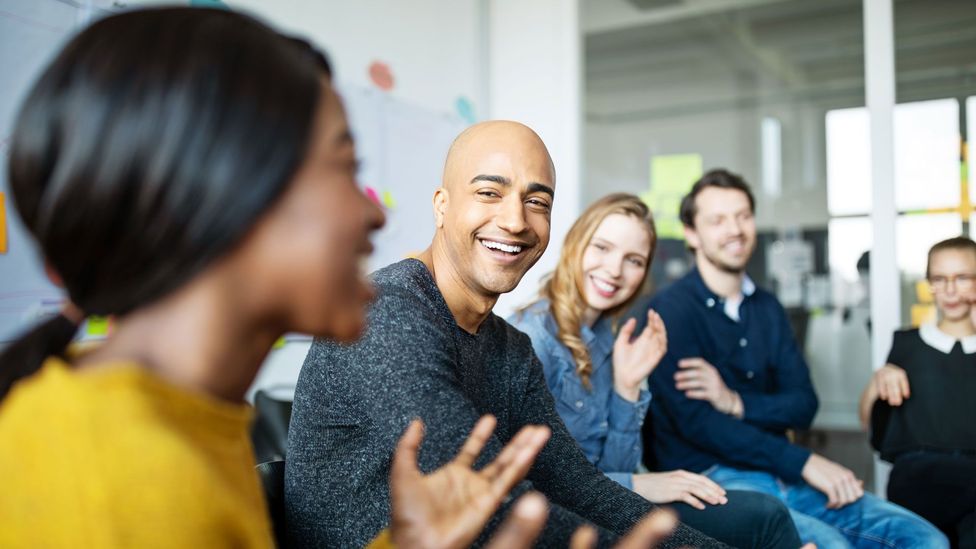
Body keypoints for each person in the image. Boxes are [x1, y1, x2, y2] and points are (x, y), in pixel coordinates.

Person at [0, 8, 555, 548]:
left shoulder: (181, 424)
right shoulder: (122, 480)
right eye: (342, 169)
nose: (375, 215)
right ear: (229, 200)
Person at [287, 121, 727, 547]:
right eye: (488, 193)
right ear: (441, 205)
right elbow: (488, 502)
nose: (516, 220)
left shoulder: (511, 349)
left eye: (537, 202)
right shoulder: (388, 312)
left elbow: (578, 486)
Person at [635, 168, 948, 548]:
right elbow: (701, 426)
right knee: (833, 546)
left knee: (925, 539)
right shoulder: (670, 312)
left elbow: (803, 404)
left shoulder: (768, 307)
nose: (735, 229)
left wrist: (734, 402)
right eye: (718, 220)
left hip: (782, 472)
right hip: (717, 480)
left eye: (743, 216)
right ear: (692, 233)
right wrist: (802, 461)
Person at [509, 193, 804, 548]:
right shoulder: (531, 339)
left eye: (633, 260)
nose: (615, 270)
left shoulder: (608, 339)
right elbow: (531, 481)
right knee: (764, 518)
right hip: (561, 519)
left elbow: (614, 463)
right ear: (575, 245)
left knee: (763, 514)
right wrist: (640, 484)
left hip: (606, 505)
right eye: (602, 248)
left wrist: (627, 386)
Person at [860, 236, 976, 548]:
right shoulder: (906, 345)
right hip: (919, 478)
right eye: (940, 279)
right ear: (930, 285)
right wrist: (879, 380)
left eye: (962, 278)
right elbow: (869, 424)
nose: (950, 290)